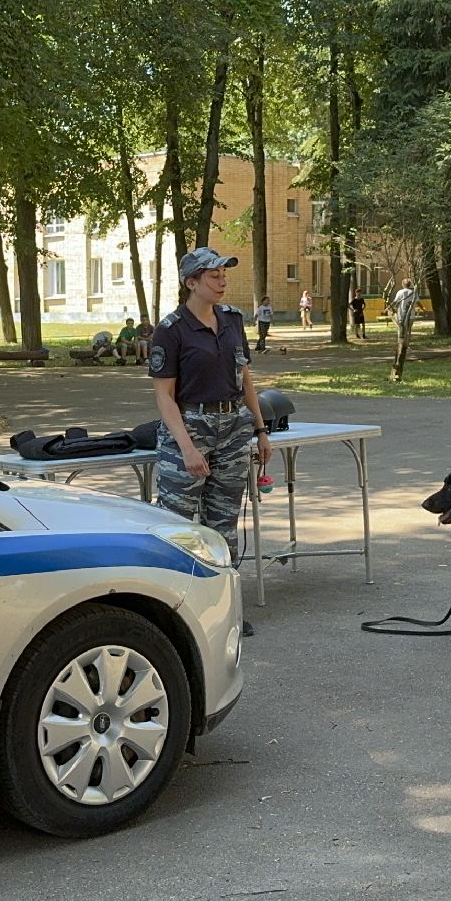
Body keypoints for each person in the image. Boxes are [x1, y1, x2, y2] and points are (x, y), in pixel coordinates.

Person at [150, 248, 272, 635]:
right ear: (191, 282)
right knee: (180, 526)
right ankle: (176, 616)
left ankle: (224, 612)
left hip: (233, 428)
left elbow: (245, 378)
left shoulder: (233, 320)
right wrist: (186, 448)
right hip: (189, 428)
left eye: (224, 275)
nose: (222, 282)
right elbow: (165, 397)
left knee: (224, 525)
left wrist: (260, 428)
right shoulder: (171, 330)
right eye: (214, 276)